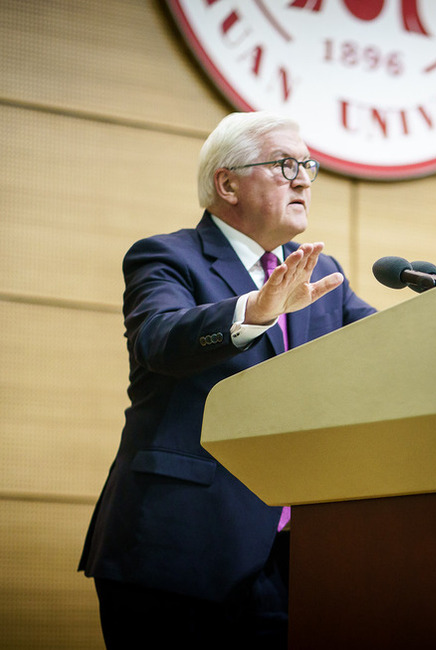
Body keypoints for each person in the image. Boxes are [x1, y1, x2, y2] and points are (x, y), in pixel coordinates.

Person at [78, 111, 375, 649]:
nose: (305, 178)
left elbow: (387, 343)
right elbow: (158, 340)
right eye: (286, 164)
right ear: (227, 183)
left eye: (307, 165)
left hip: (291, 564)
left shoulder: (317, 267)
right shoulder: (167, 256)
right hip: (177, 552)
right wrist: (252, 312)